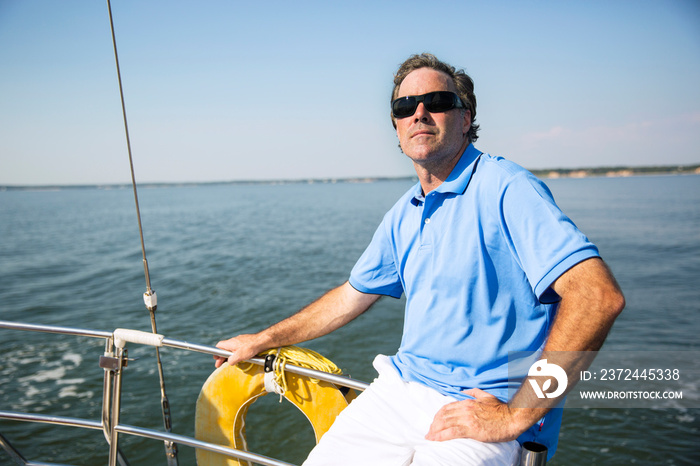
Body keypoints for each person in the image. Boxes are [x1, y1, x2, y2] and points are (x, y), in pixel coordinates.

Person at [214, 53, 625, 465]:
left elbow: (597, 297)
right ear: (396, 127)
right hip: (397, 392)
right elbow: (349, 297)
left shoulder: (506, 188)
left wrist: (517, 414)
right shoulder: (405, 211)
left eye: (438, 101)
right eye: (405, 106)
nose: (420, 113)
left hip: (484, 405)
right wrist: (263, 339)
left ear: (465, 119)